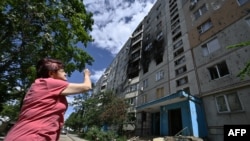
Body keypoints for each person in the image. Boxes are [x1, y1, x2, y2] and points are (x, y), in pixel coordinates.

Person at [4, 58, 92, 141]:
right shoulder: (49, 83)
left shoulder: (40, 85)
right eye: (62, 71)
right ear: (51, 73)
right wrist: (86, 74)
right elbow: (86, 87)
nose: (65, 73)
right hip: (32, 136)